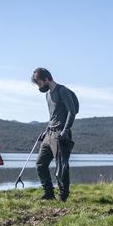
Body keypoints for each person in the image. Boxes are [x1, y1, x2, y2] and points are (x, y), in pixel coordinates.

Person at [32, 68, 78, 202]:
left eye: (40, 83)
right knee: (40, 164)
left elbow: (72, 112)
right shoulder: (47, 95)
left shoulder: (62, 91)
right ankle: (48, 193)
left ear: (46, 79)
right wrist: (46, 131)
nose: (39, 86)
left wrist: (65, 131)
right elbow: (53, 116)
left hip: (61, 133)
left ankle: (63, 196)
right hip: (49, 133)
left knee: (61, 167)